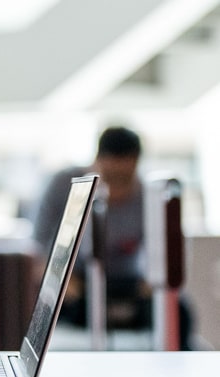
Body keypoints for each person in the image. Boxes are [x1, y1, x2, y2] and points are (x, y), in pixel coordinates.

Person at [33, 126, 193, 350]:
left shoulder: (149, 194)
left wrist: (153, 280)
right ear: (97, 161)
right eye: (111, 176)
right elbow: (37, 246)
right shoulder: (64, 184)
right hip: (77, 282)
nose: (117, 187)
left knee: (180, 312)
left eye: (124, 178)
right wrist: (58, 281)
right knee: (51, 309)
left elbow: (166, 247)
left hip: (128, 283)